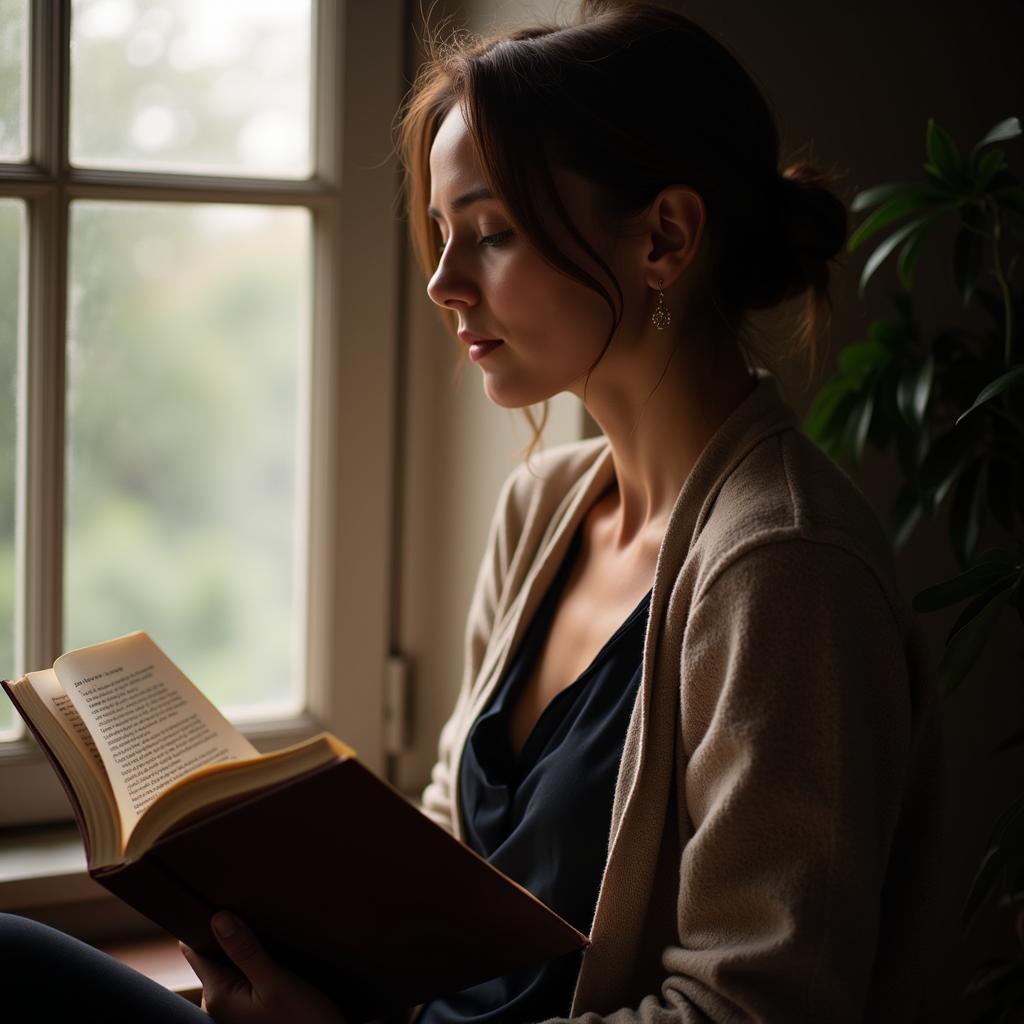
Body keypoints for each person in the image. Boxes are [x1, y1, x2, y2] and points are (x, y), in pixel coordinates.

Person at [0, 1, 947, 1022]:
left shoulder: (783, 567)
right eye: (443, 235)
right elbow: (444, 853)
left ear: (665, 239)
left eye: (490, 234)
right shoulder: (540, 508)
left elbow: (756, 1007)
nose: (443, 284)